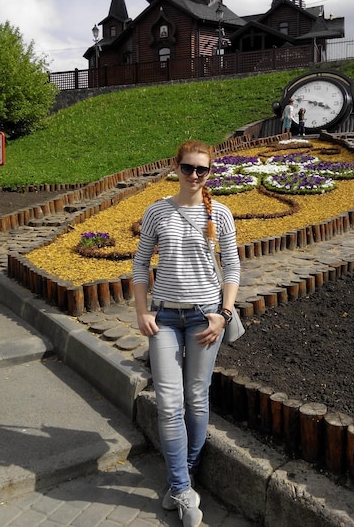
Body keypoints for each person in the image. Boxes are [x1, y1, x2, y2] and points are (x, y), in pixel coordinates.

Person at [133, 140, 240, 527]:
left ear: (210, 173)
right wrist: (142, 311)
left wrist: (223, 315)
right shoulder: (157, 211)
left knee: (196, 397)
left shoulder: (222, 214)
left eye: (202, 170)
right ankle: (181, 488)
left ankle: (184, 476)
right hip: (163, 318)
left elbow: (232, 268)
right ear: (175, 168)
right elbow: (140, 263)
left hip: (203, 318)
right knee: (168, 401)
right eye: (187, 168)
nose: (194, 176)